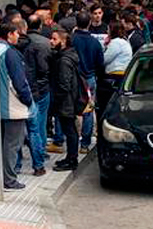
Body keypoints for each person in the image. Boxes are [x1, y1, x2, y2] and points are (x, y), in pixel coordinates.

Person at [0, 24, 33, 191]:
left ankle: (4, 177)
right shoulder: (10, 54)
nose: (18, 36)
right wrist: (28, 101)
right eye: (17, 33)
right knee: (12, 144)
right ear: (9, 34)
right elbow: (19, 82)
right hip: (12, 105)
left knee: (4, 143)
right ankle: (9, 180)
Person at [20, 15, 51, 176]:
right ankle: (39, 158)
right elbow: (45, 69)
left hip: (21, 90)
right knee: (38, 126)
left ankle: (17, 165)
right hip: (41, 90)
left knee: (19, 128)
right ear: (39, 27)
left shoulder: (16, 45)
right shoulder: (45, 43)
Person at [71, 12, 104, 153]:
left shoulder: (71, 40)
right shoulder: (94, 42)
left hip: (73, 78)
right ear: (89, 23)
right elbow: (100, 63)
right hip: (89, 79)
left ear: (76, 24)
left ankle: (67, 140)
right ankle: (85, 144)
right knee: (88, 111)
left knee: (69, 109)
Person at [50, 31, 81, 172]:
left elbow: (64, 84)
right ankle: (70, 158)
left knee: (70, 131)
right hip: (68, 100)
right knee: (70, 130)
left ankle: (72, 160)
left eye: (54, 39)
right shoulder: (67, 57)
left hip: (66, 102)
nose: (51, 41)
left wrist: (56, 101)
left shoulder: (64, 61)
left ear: (63, 42)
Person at [99, 21, 133, 116]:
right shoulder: (123, 41)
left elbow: (105, 59)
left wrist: (104, 47)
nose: (107, 30)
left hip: (114, 77)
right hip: (121, 75)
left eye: (108, 29)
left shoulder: (116, 43)